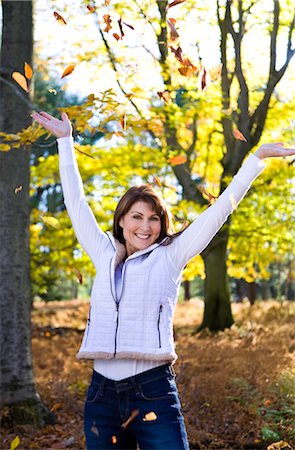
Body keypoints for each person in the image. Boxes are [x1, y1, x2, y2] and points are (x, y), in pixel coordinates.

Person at [32, 111, 295, 450]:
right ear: (122, 220)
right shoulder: (102, 251)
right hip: (102, 395)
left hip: (153, 390)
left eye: (154, 219)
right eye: (137, 217)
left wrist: (255, 161)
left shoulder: (171, 254)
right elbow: (76, 203)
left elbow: (219, 212)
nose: (145, 226)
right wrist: (66, 141)